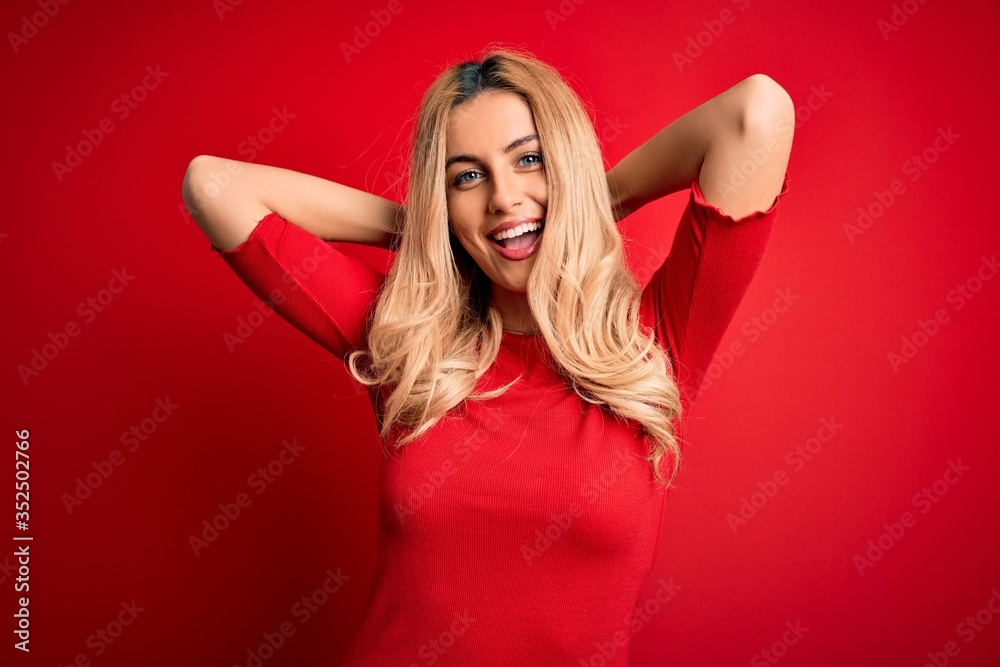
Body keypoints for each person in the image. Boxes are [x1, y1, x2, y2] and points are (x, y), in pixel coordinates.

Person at [182, 46, 791, 666]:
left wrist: (590, 200)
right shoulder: (409, 344)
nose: (503, 198)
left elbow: (756, 115)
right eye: (466, 177)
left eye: (530, 160)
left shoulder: (654, 340)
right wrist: (428, 229)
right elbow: (213, 187)